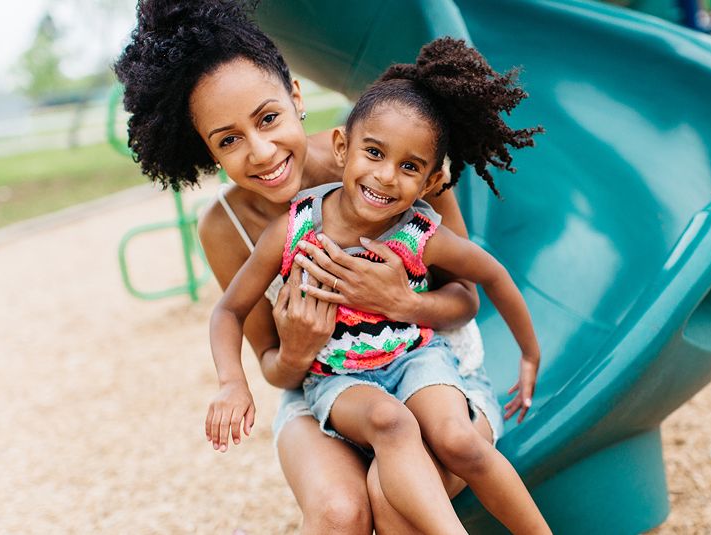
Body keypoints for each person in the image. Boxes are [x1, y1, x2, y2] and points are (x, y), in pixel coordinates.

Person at [114, 1, 503, 532]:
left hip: (432, 369)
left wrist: (404, 303)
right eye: (229, 140)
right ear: (206, 149)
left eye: (268, 118)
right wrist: (293, 349)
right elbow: (274, 368)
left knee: (393, 498)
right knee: (339, 511)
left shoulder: (392, 158)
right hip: (325, 389)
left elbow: (468, 300)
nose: (262, 152)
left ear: (295, 96)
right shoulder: (225, 228)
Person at [209, 37, 550, 534]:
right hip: (338, 378)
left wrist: (528, 352)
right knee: (389, 424)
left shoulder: (418, 228)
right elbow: (228, 311)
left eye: (409, 167)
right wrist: (232, 382)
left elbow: (489, 276)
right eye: (374, 153)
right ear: (345, 148)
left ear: (432, 181)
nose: (386, 177)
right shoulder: (293, 229)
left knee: (455, 440)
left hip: (417, 356)